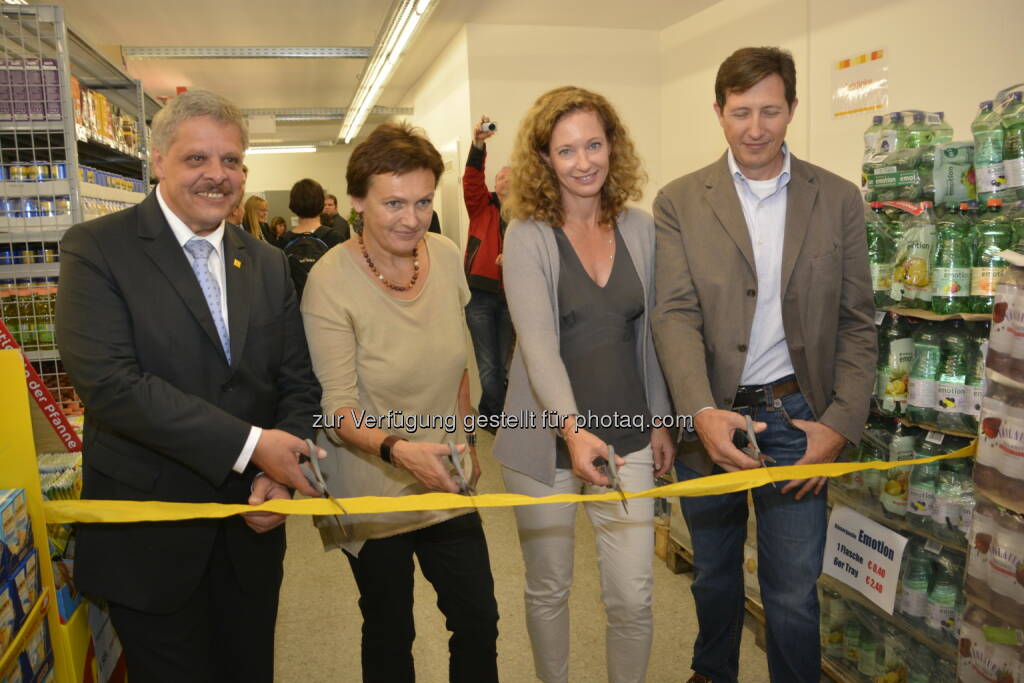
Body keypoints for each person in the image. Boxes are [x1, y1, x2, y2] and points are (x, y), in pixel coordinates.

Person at [54, 90, 324, 683]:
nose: (217, 175)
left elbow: (298, 382)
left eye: (231, 161)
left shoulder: (266, 261)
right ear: (158, 160)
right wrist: (257, 446)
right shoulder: (98, 249)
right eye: (197, 159)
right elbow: (112, 387)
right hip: (149, 542)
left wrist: (281, 474)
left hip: (251, 530)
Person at [651, 47, 875, 683]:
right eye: (741, 111)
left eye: (770, 111)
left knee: (792, 596)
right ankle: (713, 671)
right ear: (718, 113)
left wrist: (839, 424)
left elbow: (858, 323)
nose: (756, 128)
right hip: (710, 417)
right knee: (715, 577)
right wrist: (699, 413)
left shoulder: (836, 199)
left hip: (799, 419)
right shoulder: (678, 202)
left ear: (793, 110)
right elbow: (674, 316)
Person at [300, 121, 499, 683]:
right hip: (370, 479)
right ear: (357, 201)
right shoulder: (329, 281)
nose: (410, 218)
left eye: (422, 201)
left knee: (478, 618)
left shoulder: (443, 253)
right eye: (393, 203)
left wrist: (463, 437)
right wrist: (400, 450)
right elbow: (338, 411)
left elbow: (456, 360)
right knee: (390, 628)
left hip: (444, 469)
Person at [495, 86, 676, 683]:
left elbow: (651, 334)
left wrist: (658, 418)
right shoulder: (526, 234)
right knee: (550, 587)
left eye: (593, 144)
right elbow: (539, 344)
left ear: (612, 146)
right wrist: (573, 433)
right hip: (543, 442)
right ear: (545, 158)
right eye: (566, 149)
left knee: (633, 595)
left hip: (627, 436)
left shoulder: (642, 230)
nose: (584, 161)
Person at [462, 114, 513, 427]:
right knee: (489, 365)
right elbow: (471, 180)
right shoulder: (482, 206)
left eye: (511, 177)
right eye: (501, 177)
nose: (505, 180)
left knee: (504, 365)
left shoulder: (528, 216)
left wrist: (515, 258)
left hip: (511, 298)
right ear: (494, 184)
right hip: (480, 296)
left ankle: (492, 413)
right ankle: (493, 418)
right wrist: (478, 145)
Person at [280, 178, 345, 299]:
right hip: (327, 311)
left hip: (294, 313)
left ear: (292, 206)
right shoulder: (336, 240)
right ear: (321, 205)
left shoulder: (282, 242)